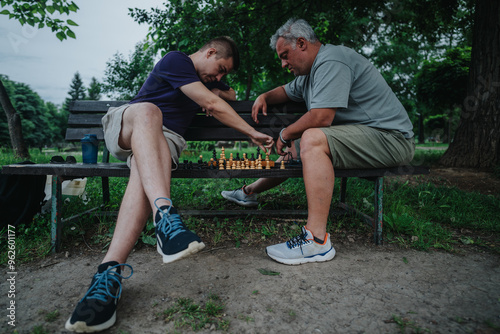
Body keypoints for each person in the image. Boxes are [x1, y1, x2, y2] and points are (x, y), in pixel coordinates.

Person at [65, 36, 274, 333]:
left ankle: (107, 275)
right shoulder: (177, 60)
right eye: (220, 68)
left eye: (223, 74)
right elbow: (213, 101)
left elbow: (227, 92)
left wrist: (215, 85)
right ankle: (164, 215)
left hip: (165, 142)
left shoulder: (200, 79)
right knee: (150, 111)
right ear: (210, 51)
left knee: (143, 168)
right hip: (131, 123)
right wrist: (251, 132)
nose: (220, 76)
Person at [221, 18, 415, 265]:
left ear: (301, 43)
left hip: (391, 139)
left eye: (284, 55)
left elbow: (322, 117)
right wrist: (265, 95)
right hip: (367, 137)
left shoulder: (332, 60)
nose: (283, 64)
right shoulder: (309, 73)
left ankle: (317, 241)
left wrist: (285, 133)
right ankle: (248, 193)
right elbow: (286, 90)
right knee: (298, 149)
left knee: (311, 138)